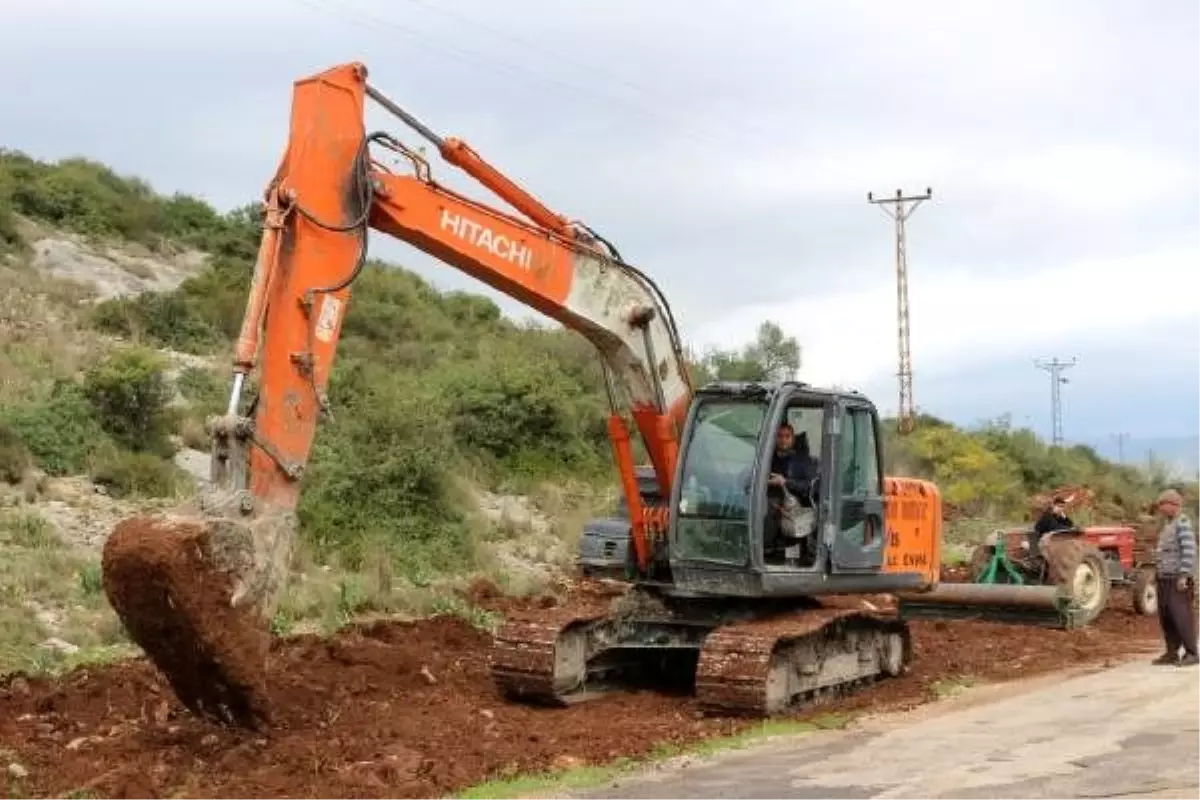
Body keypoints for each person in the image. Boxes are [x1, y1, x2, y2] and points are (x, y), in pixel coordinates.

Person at [1152, 488, 1198, 666]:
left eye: (1163, 504)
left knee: (1181, 616)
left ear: (1174, 505)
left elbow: (1189, 550)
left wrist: (1184, 575)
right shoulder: (1167, 524)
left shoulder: (1183, 523)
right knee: (1167, 617)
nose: (1161, 507)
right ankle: (1172, 652)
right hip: (1164, 577)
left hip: (1177, 579)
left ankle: (1192, 652)